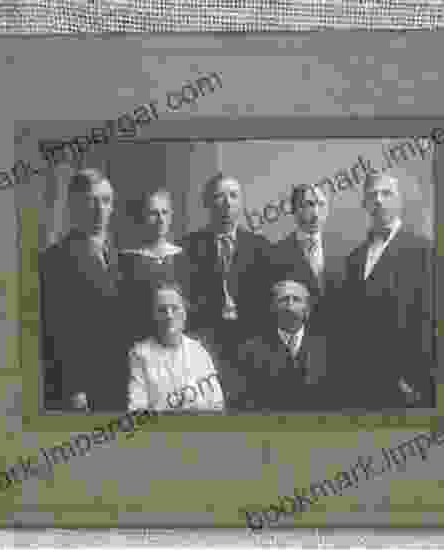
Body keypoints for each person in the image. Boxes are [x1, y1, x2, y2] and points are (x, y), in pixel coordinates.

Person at [340, 171, 435, 408]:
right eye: (372, 195)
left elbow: (430, 320)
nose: (379, 200)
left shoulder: (424, 250)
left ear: (400, 201)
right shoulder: (354, 258)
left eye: (387, 193)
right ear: (364, 204)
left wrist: (416, 380)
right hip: (359, 385)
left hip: (408, 385)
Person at [39, 168, 129, 412]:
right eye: (91, 201)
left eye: (106, 201)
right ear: (75, 206)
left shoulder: (119, 257)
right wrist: (73, 389)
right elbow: (57, 332)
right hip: (82, 390)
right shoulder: (55, 260)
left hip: (121, 382)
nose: (100, 209)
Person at [180, 173, 273, 362]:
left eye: (233, 195)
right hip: (205, 342)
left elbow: (267, 303)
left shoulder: (260, 247)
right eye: (219, 196)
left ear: (241, 202)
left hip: (251, 343)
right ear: (207, 203)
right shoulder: (188, 246)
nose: (227, 203)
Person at [232, 280, 332, 412]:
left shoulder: (327, 348)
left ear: (307, 309)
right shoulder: (251, 351)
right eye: (284, 300)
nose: (290, 306)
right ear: (273, 307)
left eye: (296, 299)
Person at [127, 281, 225, 412]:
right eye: (162, 310)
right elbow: (137, 409)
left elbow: (217, 403)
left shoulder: (198, 351)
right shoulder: (140, 355)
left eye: (175, 308)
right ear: (154, 316)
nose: (169, 315)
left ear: (184, 313)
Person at [118, 188, 192, 343]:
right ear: (142, 217)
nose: (160, 219)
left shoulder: (184, 258)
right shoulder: (126, 259)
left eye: (165, 213)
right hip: (139, 342)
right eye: (153, 213)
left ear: (171, 216)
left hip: (176, 343)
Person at [269, 183, 343, 331]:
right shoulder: (276, 254)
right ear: (295, 210)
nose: (316, 212)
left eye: (321, 204)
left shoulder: (345, 249)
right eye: (309, 205)